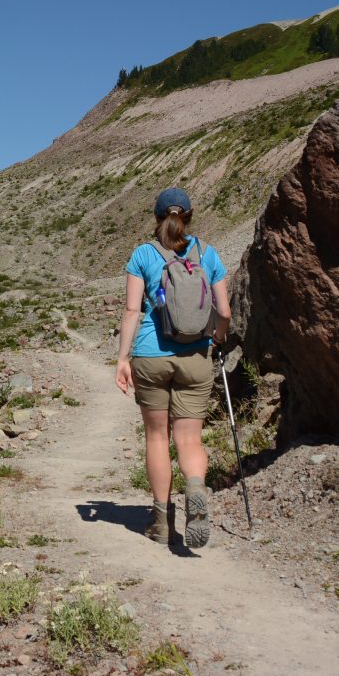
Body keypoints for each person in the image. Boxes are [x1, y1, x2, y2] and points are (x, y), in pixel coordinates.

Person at [114, 187, 231, 548]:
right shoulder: (207, 253)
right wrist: (217, 338)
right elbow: (224, 312)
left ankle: (162, 521)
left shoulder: (144, 254)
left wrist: (122, 358)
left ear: (157, 216)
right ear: (190, 216)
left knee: (157, 437)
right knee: (189, 438)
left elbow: (133, 310)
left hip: (150, 356)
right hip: (195, 357)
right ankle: (195, 488)